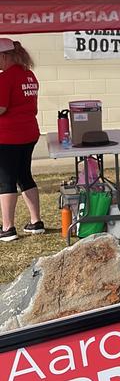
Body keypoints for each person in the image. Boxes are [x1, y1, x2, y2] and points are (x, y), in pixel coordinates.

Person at [0, 39, 44, 242]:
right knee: (24, 175)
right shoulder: (29, 75)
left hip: (8, 136)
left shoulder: (5, 78)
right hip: (29, 133)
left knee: (6, 180)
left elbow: (1, 108)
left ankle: (7, 228)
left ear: (4, 56)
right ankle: (36, 222)